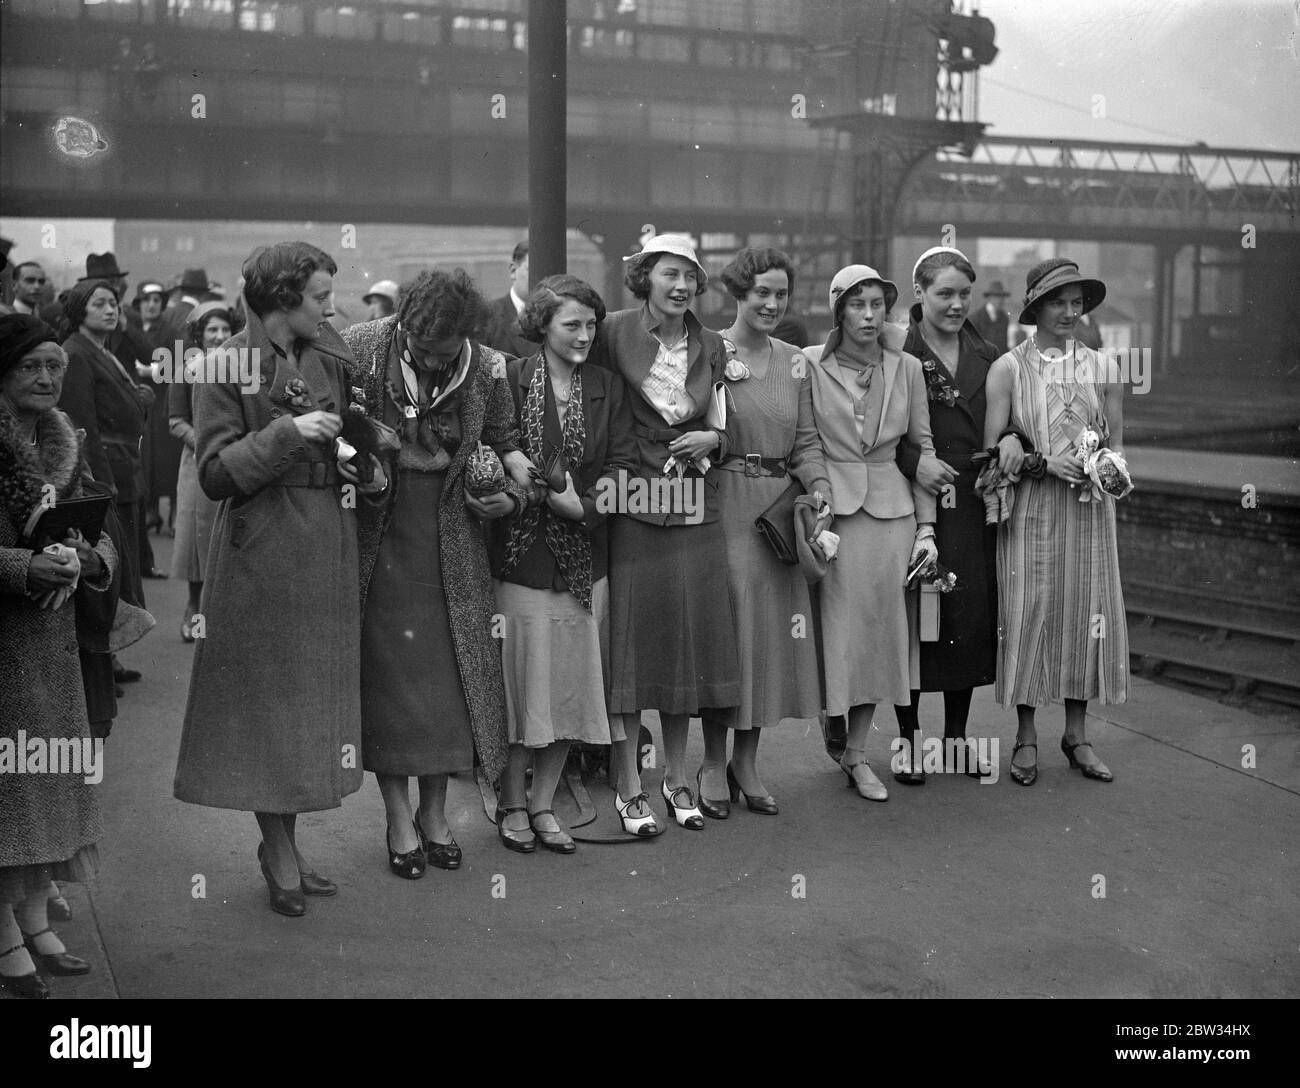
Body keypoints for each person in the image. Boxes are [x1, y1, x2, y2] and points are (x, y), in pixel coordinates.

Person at [174, 241, 379, 916]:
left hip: (325, 539)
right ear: (284, 298)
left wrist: (363, 464)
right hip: (262, 546)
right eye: (319, 296)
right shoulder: (226, 364)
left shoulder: (329, 355)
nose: (328, 306)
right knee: (268, 702)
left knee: (307, 701)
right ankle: (280, 850)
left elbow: (348, 439)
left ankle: (285, 844)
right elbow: (214, 473)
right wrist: (289, 433)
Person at [342, 268, 527, 876]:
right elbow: (341, 430)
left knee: (450, 682)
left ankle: (436, 814)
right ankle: (398, 820)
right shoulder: (364, 345)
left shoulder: (491, 368)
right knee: (389, 686)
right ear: (403, 326)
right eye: (420, 350)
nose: (430, 361)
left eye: (443, 354)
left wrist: (512, 497)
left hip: (453, 541)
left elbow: (504, 441)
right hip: (381, 537)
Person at [587, 233, 740, 832]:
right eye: (670, 274)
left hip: (694, 497)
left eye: (690, 277)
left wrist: (715, 439)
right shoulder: (611, 332)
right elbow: (591, 405)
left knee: (686, 644)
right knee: (630, 642)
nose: (681, 287)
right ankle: (629, 788)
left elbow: (732, 426)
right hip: (630, 498)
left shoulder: (712, 344)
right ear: (645, 276)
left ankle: (677, 780)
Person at [490, 275, 638, 851]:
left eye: (590, 325)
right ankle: (510, 803)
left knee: (568, 689)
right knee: (521, 686)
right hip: (520, 557)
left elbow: (625, 463)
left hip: (583, 559)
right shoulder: (508, 377)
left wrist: (588, 507)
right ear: (542, 327)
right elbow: (486, 448)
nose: (584, 334)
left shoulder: (605, 385)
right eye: (570, 324)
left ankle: (544, 803)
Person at [0, 314, 115, 998]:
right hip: (8, 638)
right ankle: (6, 934)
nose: (46, 378)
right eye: (30, 368)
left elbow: (107, 526)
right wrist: (22, 567)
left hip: (56, 644)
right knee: (9, 791)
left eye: (55, 367)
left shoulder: (64, 438)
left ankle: (37, 919)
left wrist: (90, 557)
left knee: (50, 783)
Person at [696, 247, 831, 818]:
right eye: (761, 294)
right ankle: (710, 761)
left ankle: (746, 761)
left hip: (778, 512)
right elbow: (691, 426)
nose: (772, 304)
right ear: (738, 295)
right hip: (725, 505)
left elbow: (805, 441)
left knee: (770, 637)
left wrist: (819, 486)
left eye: (781, 294)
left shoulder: (796, 361)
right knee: (729, 634)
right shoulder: (708, 352)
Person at [983, 258, 1128, 785]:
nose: (1069, 313)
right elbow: (991, 451)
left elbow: (1117, 448)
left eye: (1076, 304)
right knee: (1030, 613)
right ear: (1036, 308)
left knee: (1084, 614)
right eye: (1057, 303)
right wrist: (1039, 461)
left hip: (1089, 512)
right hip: (1032, 509)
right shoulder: (1008, 368)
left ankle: (1077, 734)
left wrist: (1108, 471)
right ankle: (1026, 737)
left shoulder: (1105, 368)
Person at [803, 265, 939, 803]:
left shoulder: (907, 367)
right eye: (855, 305)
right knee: (836, 637)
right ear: (838, 311)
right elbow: (802, 442)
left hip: (892, 517)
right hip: (832, 516)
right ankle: (833, 722)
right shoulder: (810, 364)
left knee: (879, 641)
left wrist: (927, 529)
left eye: (877, 304)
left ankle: (857, 754)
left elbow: (924, 453)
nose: (867, 315)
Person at [892, 247, 1025, 783]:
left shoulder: (990, 353)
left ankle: (954, 740)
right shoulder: (896, 349)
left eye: (963, 294)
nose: (955, 304)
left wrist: (1014, 439)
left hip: (971, 504)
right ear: (919, 292)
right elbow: (874, 431)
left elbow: (1012, 419)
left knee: (965, 620)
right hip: (914, 501)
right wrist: (915, 462)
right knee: (915, 622)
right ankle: (907, 739)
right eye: (944, 293)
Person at [58, 279, 153, 622]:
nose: (111, 309)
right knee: (111, 561)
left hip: (126, 469)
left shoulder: (99, 348)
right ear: (79, 310)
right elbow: (84, 427)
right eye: (99, 303)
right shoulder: (77, 354)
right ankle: (107, 653)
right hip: (109, 473)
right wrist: (103, 482)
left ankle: (112, 650)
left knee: (123, 561)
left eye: (113, 303)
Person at [168, 301, 231, 641]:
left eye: (224, 329)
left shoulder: (240, 367)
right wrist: (206, 443)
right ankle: (194, 607)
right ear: (200, 335)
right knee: (197, 539)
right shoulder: (185, 368)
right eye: (212, 330)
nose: (219, 336)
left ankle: (218, 612)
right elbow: (176, 421)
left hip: (232, 461)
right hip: (197, 463)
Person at [483, 241, 540, 358]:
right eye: (533, 270)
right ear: (513, 271)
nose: (540, 278)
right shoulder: (487, 316)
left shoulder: (559, 318)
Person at [970, 279, 1012, 353]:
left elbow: (1004, 345)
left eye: (1002, 296)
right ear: (989, 298)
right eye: (997, 296)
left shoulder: (1004, 318)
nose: (1000, 300)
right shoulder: (975, 318)